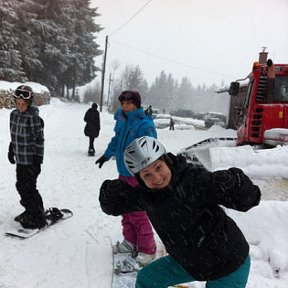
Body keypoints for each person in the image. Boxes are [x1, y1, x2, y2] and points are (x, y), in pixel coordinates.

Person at [99, 136, 261, 288]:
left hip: (228, 264)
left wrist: (236, 183)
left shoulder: (195, 181)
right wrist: (109, 196)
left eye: (158, 167)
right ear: (140, 179)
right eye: (147, 174)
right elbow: (114, 206)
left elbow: (250, 199)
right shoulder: (147, 195)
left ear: (166, 161)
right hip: (189, 262)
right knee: (146, 279)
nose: (156, 178)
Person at [95, 91, 157, 266]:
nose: (125, 106)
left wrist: (148, 173)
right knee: (125, 211)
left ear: (136, 104)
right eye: (123, 102)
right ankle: (130, 242)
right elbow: (116, 142)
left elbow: (151, 148)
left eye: (129, 103)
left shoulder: (144, 124)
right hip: (123, 174)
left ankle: (147, 249)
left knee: (138, 213)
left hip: (138, 176)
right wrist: (106, 156)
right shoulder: (123, 121)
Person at [8, 85, 47, 229]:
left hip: (31, 160)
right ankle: (30, 210)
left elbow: (39, 139)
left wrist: (37, 160)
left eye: (23, 104)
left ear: (29, 103)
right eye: (17, 103)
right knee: (20, 185)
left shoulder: (33, 117)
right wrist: (11, 149)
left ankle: (39, 216)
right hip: (20, 159)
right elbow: (14, 135)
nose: (20, 106)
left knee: (29, 188)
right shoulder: (13, 115)